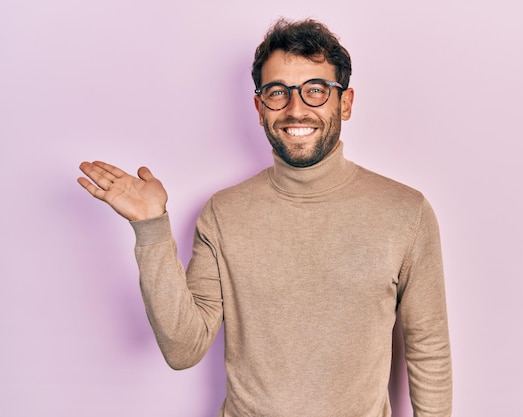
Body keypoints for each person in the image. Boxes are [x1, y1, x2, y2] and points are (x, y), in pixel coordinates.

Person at [77, 18, 452, 417]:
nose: (296, 109)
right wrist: (150, 225)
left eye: (315, 91)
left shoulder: (405, 212)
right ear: (259, 107)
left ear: (345, 102)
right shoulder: (224, 212)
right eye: (278, 92)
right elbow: (183, 349)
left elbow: (428, 347)